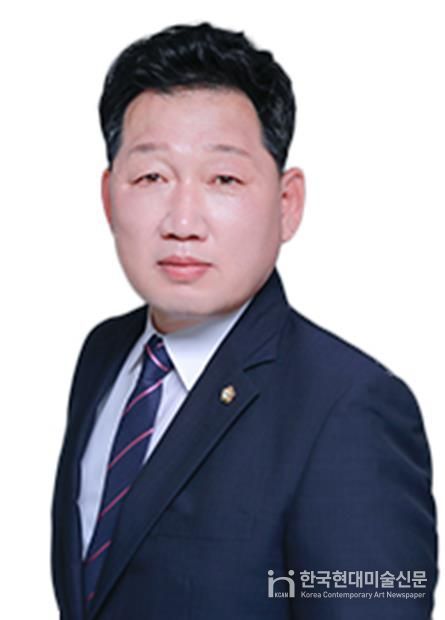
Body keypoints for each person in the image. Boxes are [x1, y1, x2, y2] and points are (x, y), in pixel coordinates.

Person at [51, 22, 437, 620]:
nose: (183, 222)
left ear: (287, 204)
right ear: (108, 196)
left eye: (224, 180)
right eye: (151, 177)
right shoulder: (105, 354)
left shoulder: (350, 409)